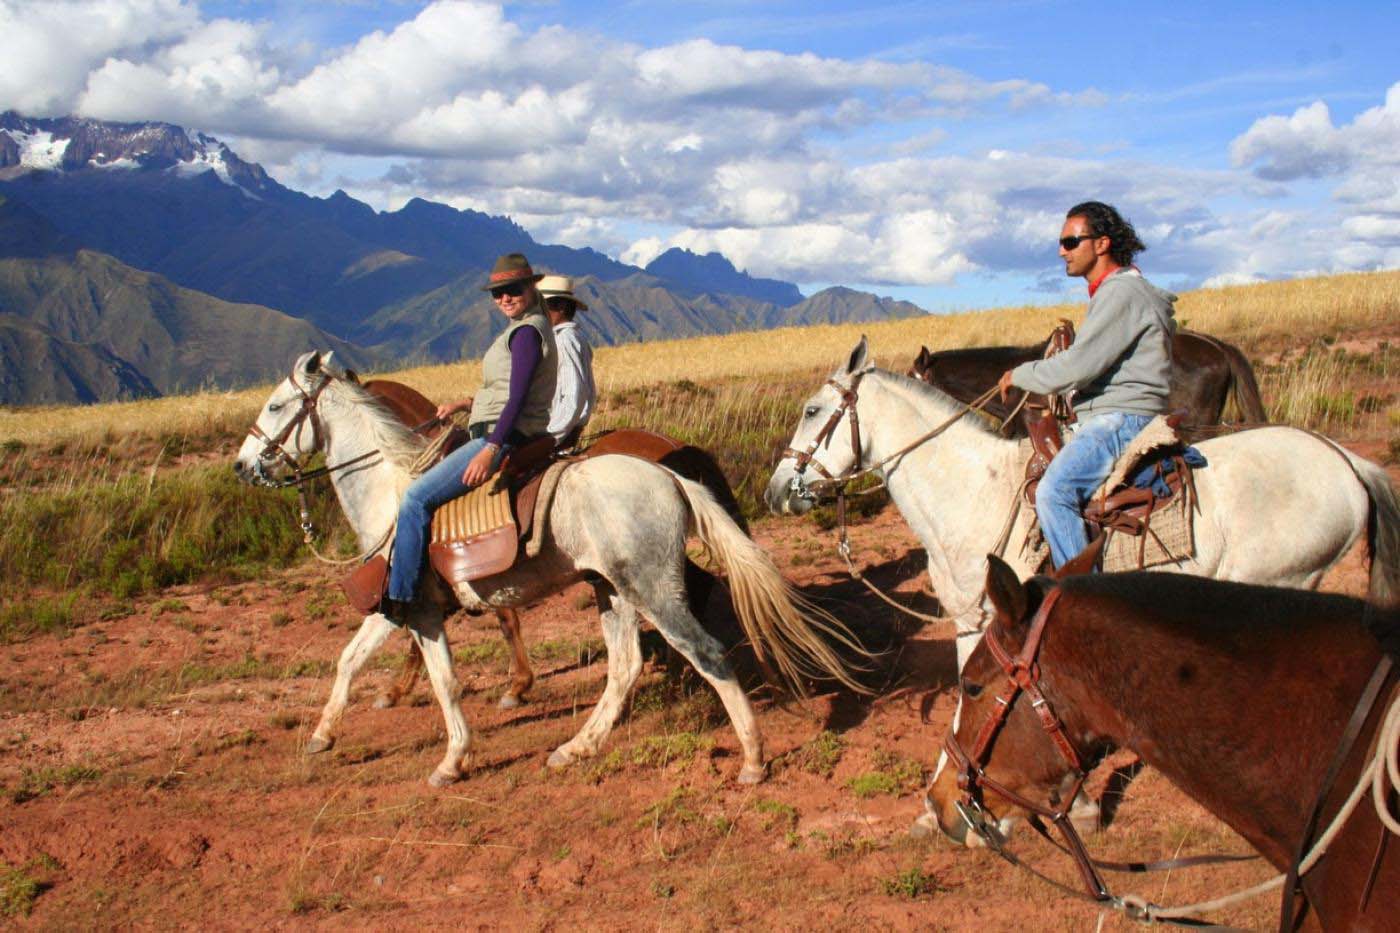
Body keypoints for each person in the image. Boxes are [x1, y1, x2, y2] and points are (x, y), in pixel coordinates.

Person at [996, 201, 1176, 570]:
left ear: (1102, 244)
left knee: (1054, 492)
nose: (1062, 251)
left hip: (1119, 417)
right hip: (1117, 411)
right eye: (1061, 242)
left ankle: (1082, 598)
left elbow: (1078, 367)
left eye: (1070, 241)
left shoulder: (1121, 293)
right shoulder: (1119, 292)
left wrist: (1020, 375)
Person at [381, 253, 557, 619]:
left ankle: (403, 597)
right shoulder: (527, 325)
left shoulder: (525, 332)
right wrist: (466, 403)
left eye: (512, 290)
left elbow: (518, 397)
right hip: (503, 428)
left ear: (530, 287)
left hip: (505, 436)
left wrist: (490, 448)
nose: (504, 298)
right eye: (497, 293)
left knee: (415, 499)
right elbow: (505, 389)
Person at [538, 275, 596, 447]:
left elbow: (574, 392)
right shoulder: (571, 337)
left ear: (561, 307)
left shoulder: (564, 340)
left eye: (542, 306)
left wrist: (551, 437)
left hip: (557, 431)